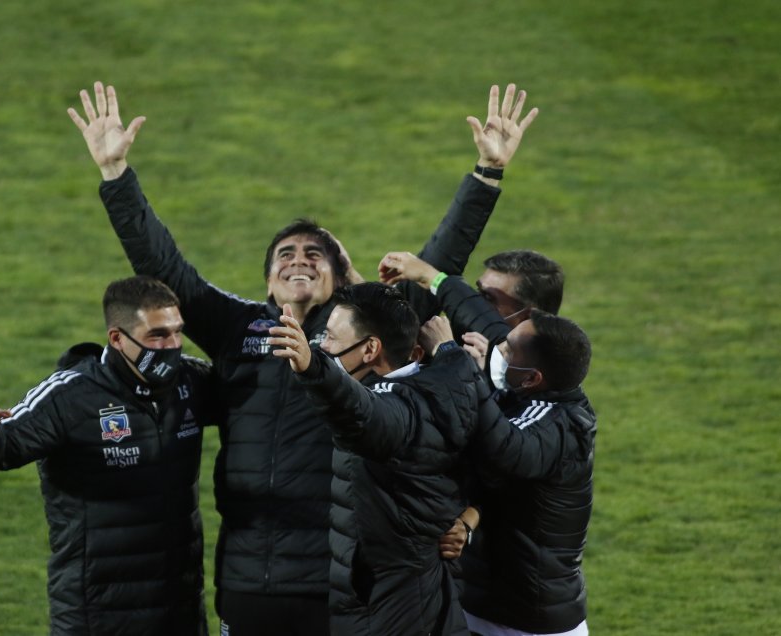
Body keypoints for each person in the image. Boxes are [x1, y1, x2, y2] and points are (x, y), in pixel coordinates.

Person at [67, 80, 537, 634]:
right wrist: (115, 175)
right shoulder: (238, 327)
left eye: (316, 254)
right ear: (268, 279)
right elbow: (165, 268)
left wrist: (486, 174)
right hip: (247, 583)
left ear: (340, 277)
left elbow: (440, 257)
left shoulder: (368, 327)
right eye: (285, 253)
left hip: (337, 582)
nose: (299, 260)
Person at [0, 276, 215, 636]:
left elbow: (260, 405)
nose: (172, 346)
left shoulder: (191, 382)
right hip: (97, 614)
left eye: (177, 333)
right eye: (157, 336)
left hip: (179, 610)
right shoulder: (71, 395)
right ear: (118, 338)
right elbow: (3, 446)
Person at [268, 282, 482, 635]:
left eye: (331, 339)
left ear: (369, 349)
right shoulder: (445, 382)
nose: (323, 346)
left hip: (394, 612)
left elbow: (365, 414)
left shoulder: (399, 407)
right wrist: (470, 519)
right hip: (404, 600)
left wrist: (313, 369)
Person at [417, 311, 596, 636]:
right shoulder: (524, 401)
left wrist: (452, 358)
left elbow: (504, 450)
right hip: (491, 606)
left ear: (532, 378)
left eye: (509, 350)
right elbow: (496, 480)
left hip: (530, 623)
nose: (497, 351)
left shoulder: (558, 423)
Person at [378, 249, 564, 370]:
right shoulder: (456, 342)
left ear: (527, 317)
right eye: (477, 292)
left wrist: (446, 353)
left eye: (488, 298)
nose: (474, 303)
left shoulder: (523, 380)